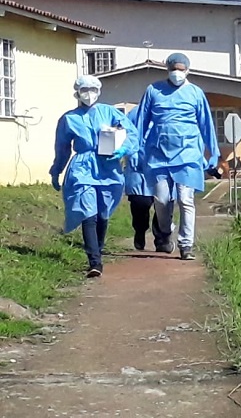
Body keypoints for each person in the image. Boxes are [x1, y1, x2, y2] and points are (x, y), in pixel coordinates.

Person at [50, 75, 139, 278]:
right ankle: (94, 262)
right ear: (77, 93)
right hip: (82, 168)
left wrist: (123, 149)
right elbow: (62, 148)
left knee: (102, 213)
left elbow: (132, 133)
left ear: (99, 91)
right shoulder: (69, 119)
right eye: (84, 90)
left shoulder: (109, 112)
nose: (89, 94)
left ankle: (98, 249)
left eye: (93, 89)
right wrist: (57, 170)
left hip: (108, 167)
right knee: (87, 212)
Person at [135, 52, 219, 260]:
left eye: (181, 70)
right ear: (167, 69)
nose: (177, 73)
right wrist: (136, 149)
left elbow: (206, 124)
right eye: (174, 69)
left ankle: (186, 244)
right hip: (158, 153)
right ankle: (164, 231)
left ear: (188, 70)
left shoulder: (196, 93)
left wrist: (213, 151)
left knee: (185, 199)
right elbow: (140, 122)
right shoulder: (153, 91)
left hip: (188, 153)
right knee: (162, 200)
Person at [123, 105, 158, 251]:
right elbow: (124, 134)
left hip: (160, 166)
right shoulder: (134, 114)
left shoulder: (165, 111)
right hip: (137, 168)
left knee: (164, 205)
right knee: (140, 204)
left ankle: (162, 237)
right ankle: (140, 230)